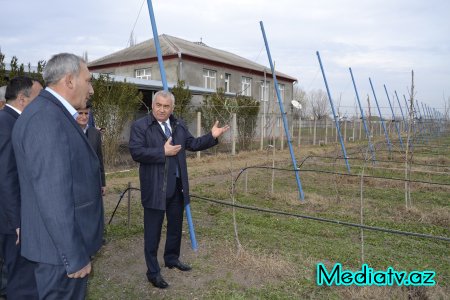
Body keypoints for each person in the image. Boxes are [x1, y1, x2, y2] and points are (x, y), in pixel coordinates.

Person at [11, 53, 104, 300]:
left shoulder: (50, 114)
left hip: (53, 248)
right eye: (88, 80)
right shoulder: (46, 118)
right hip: (58, 254)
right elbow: (53, 196)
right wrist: (74, 257)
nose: (91, 89)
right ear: (70, 80)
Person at [129, 90, 229, 289]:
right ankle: (153, 272)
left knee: (175, 227)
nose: (162, 110)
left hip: (177, 188)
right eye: (159, 105)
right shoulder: (141, 126)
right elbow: (136, 152)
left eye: (166, 106)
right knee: (152, 233)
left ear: (172, 108)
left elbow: (192, 144)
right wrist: (162, 152)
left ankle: (172, 258)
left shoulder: (178, 125)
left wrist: (212, 136)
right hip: (155, 189)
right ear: (153, 104)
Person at [0, 77, 42, 300]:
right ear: (23, 100)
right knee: (21, 280)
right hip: (12, 221)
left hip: (12, 216)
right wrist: (18, 222)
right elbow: (6, 176)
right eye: (39, 97)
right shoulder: (7, 124)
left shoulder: (10, 121)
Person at [76, 102, 106, 195]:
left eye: (86, 113)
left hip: (92, 181)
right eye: (80, 113)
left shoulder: (95, 133)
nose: (84, 117)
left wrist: (102, 183)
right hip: (75, 183)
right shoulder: (68, 131)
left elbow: (99, 159)